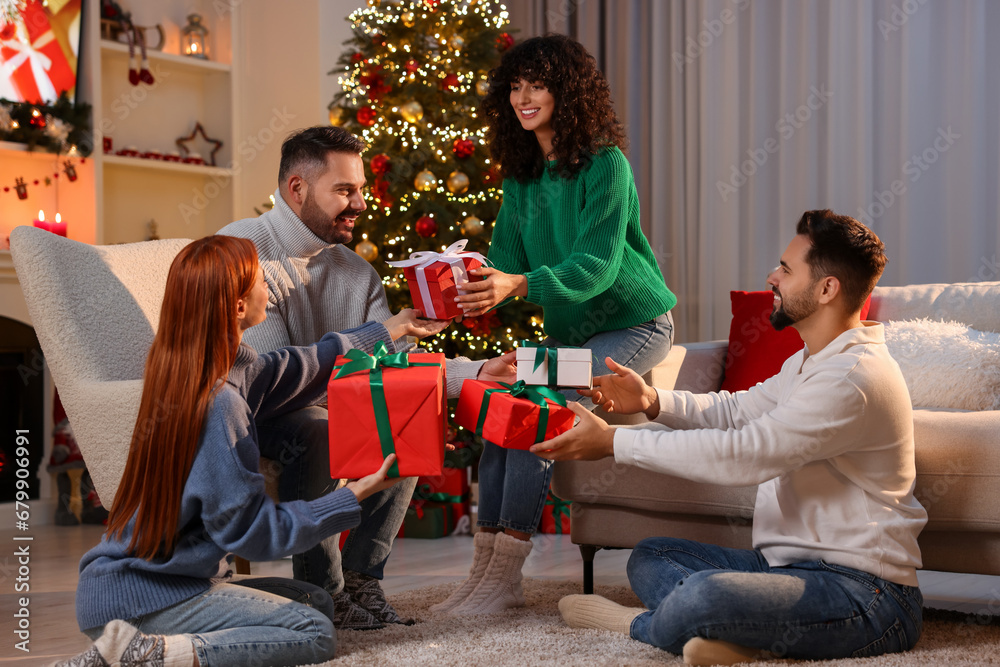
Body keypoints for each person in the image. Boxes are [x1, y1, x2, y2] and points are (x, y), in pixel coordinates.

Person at [531, 210, 927, 665]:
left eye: (786, 268)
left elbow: (745, 456)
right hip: (784, 567)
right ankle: (730, 637)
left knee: (703, 595)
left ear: (826, 289)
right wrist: (651, 400)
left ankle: (639, 625)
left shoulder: (852, 376)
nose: (771, 277)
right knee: (651, 556)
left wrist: (615, 443)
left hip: (866, 595)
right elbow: (736, 410)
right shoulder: (810, 361)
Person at [218, 126, 517, 629]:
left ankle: (362, 579)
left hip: (332, 404)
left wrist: (474, 373)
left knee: (409, 411)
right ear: (296, 189)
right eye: (344, 191)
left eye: (361, 189)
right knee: (319, 425)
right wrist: (369, 357)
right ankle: (323, 591)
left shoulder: (358, 272)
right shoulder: (243, 249)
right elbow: (267, 381)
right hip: (252, 415)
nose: (360, 203)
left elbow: (397, 359)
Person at [58, 236, 406, 667]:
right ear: (238, 306)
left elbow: (303, 365)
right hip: (144, 596)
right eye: (262, 281)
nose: (270, 290)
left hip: (159, 582)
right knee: (315, 633)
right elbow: (253, 534)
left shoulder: (200, 371)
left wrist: (391, 330)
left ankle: (133, 645)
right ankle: (149, 653)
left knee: (314, 602)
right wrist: (350, 496)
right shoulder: (219, 402)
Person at [434, 34, 677, 616]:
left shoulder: (606, 165)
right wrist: (459, 279)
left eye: (536, 84)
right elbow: (504, 260)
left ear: (566, 91)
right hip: (573, 332)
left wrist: (518, 284)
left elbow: (595, 269)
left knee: (539, 399)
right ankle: (486, 571)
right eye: (515, 86)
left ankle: (505, 574)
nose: (523, 97)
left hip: (636, 322)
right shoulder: (521, 177)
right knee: (498, 395)